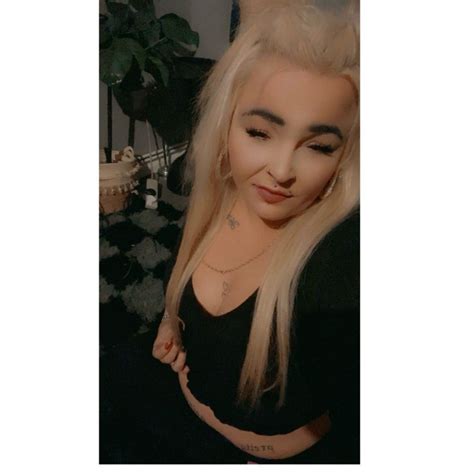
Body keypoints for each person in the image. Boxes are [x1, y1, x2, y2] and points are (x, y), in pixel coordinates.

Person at [100, 0, 359, 464]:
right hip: (176, 402)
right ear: (226, 126)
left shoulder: (340, 268)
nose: (281, 171)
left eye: (319, 146)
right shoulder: (217, 198)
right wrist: (171, 323)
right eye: (260, 133)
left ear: (344, 160)